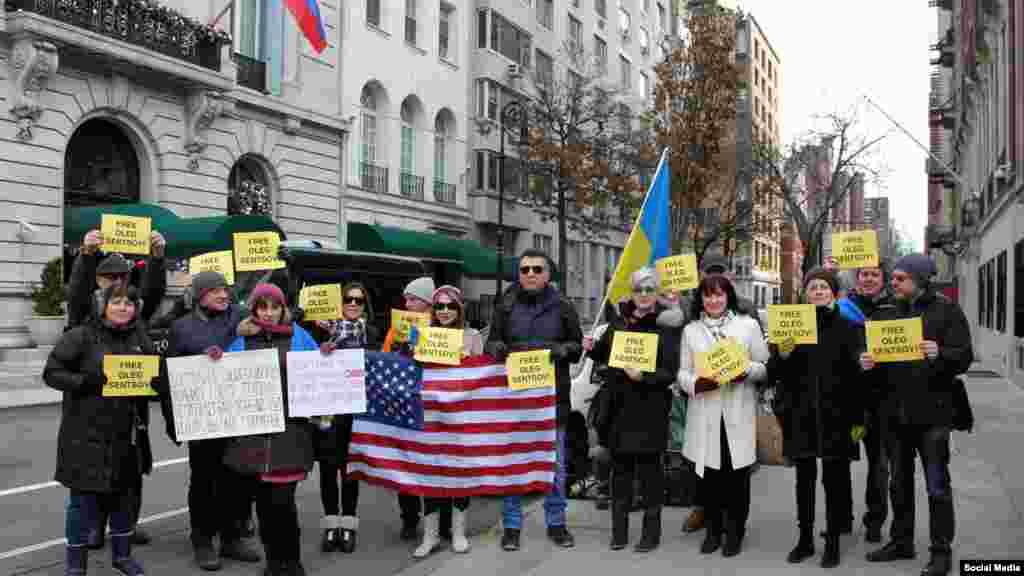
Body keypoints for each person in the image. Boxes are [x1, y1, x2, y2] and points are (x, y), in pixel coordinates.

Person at [861, 254, 973, 576]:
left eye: (899, 278)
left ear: (920, 279)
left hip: (933, 416)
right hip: (894, 416)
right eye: (892, 278)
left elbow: (964, 356)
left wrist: (943, 354)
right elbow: (875, 369)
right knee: (899, 483)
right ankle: (901, 541)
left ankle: (940, 551)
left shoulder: (947, 311)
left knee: (937, 484)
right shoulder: (886, 314)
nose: (892, 283)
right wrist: (867, 364)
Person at [44, 284, 159, 576]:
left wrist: (157, 385)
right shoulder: (81, 336)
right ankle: (75, 565)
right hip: (85, 434)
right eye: (117, 302)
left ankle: (122, 557)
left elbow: (154, 377)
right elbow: (52, 373)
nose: (124, 307)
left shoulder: (140, 337)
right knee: (82, 505)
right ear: (102, 305)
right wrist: (85, 381)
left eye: (130, 303)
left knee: (124, 500)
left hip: (127, 435)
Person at [66, 230, 167, 549]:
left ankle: (126, 524)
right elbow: (77, 294)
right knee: (95, 472)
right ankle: (94, 527)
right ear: (97, 280)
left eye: (121, 276)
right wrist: (85, 255)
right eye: (107, 277)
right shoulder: (85, 316)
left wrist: (157, 259)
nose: (114, 282)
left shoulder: (135, 314)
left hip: (131, 411)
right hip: (93, 412)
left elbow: (152, 293)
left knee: (130, 472)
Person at [485, 249, 583, 552]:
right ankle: (511, 526)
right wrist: (497, 347)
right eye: (525, 269)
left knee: (554, 466)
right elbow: (490, 342)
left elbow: (578, 346)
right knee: (513, 464)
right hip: (514, 400)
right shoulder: (505, 305)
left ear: (548, 274)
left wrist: (563, 350)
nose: (530, 274)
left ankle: (556, 523)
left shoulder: (563, 306)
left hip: (552, 400)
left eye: (536, 269)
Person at [164, 271, 262, 571]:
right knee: (204, 482)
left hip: (237, 416)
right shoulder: (181, 328)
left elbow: (271, 311)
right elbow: (169, 378)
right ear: (198, 296)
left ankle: (231, 538)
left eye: (225, 290)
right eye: (215, 291)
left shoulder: (239, 319)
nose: (223, 295)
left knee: (237, 479)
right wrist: (174, 421)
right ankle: (203, 541)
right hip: (203, 421)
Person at [223, 283, 318, 576]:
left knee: (283, 505)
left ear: (282, 309)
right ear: (254, 309)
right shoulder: (240, 341)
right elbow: (226, 380)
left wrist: (326, 356)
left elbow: (319, 375)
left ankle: (292, 564)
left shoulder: (299, 336)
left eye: (274, 306)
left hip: (290, 435)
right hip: (254, 438)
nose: (269, 313)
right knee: (264, 508)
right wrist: (215, 359)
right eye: (262, 307)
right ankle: (274, 564)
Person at [770, 268, 863, 568]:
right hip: (801, 415)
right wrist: (782, 355)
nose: (819, 291)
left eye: (824, 287)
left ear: (834, 293)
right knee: (804, 480)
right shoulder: (792, 326)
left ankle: (833, 541)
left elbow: (858, 377)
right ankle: (805, 539)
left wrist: (858, 420)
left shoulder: (848, 328)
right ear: (805, 293)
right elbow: (774, 374)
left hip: (837, 416)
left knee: (834, 481)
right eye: (813, 287)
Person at [583, 268, 682, 553]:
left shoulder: (667, 326)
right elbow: (603, 353)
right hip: (618, 407)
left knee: (650, 473)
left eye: (650, 289)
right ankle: (619, 532)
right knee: (620, 472)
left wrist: (645, 377)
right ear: (632, 292)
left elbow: (671, 372)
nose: (644, 295)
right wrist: (591, 348)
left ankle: (651, 534)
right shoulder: (618, 322)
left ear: (657, 294)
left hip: (650, 408)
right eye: (639, 289)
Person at [677, 273, 769, 557]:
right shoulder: (691, 330)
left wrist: (746, 372)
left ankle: (735, 532)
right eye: (708, 295)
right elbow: (683, 372)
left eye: (719, 294)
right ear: (701, 300)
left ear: (728, 296)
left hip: (737, 412)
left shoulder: (748, 325)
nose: (714, 300)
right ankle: (713, 531)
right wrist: (695, 384)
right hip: (705, 413)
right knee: (709, 480)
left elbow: (764, 365)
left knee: (736, 480)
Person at [379, 276, 452, 541]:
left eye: (413, 299)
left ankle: (442, 522)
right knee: (405, 464)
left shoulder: (439, 327)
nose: (407, 304)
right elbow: (385, 358)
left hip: (431, 404)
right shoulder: (396, 329)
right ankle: (409, 519)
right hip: (403, 402)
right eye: (406, 299)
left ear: (426, 303)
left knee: (436, 466)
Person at [308, 282, 379, 554]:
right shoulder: (321, 330)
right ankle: (331, 525)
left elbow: (379, 363)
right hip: (328, 411)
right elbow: (306, 362)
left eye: (358, 301)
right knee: (327, 469)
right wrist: (321, 350)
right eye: (348, 299)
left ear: (364, 306)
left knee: (350, 471)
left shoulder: (370, 333)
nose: (352, 303)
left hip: (357, 412)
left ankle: (348, 525)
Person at [413, 285, 483, 558]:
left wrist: (469, 362)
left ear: (459, 309)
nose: (444, 311)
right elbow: (413, 369)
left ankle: (458, 532)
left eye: (450, 306)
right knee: (430, 476)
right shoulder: (423, 333)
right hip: (430, 416)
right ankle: (429, 536)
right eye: (439, 306)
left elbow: (483, 375)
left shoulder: (472, 335)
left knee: (459, 474)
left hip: (461, 417)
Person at [837, 259, 893, 543]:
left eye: (874, 274)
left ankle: (874, 520)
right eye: (864, 274)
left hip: (881, 404)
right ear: (856, 278)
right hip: (850, 404)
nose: (869, 278)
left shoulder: (895, 310)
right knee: (841, 460)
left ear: (882, 279)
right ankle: (842, 519)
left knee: (879, 464)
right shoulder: (842, 310)